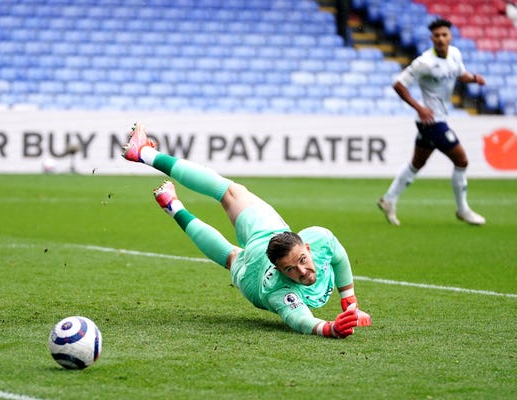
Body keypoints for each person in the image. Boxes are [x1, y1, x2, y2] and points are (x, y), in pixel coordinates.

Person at [122, 123, 371, 339]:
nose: (303, 272)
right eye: (291, 269)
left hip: (256, 269)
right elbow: (301, 321)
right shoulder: (281, 288)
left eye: (302, 261)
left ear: (307, 246)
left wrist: (349, 308)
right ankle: (165, 192)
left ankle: (161, 182)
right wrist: (331, 326)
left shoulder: (310, 248)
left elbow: (337, 256)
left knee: (229, 194)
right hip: (259, 261)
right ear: (278, 269)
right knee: (231, 253)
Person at [377, 18, 486, 226]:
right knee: (462, 161)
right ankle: (463, 209)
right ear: (432, 38)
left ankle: (389, 200)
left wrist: (474, 78)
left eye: (444, 35)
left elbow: (460, 74)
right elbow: (398, 85)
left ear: (450, 36)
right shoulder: (423, 62)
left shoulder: (455, 54)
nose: (441, 39)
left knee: (416, 163)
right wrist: (419, 107)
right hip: (432, 122)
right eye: (437, 35)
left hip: (437, 119)